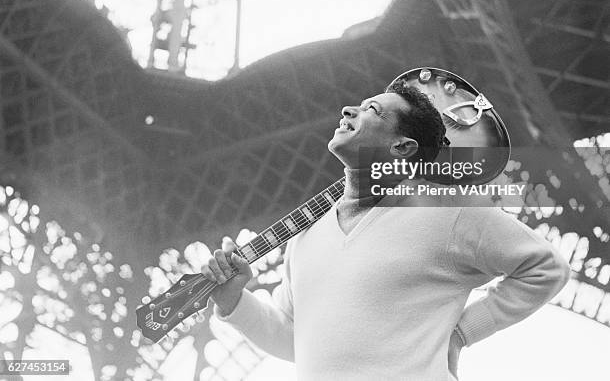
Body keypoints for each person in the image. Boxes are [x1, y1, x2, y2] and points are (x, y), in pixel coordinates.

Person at [201, 75, 570, 380]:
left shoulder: (448, 210)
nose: (349, 110)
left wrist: (461, 333)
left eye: (372, 110)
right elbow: (292, 338)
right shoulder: (306, 235)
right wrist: (233, 299)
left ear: (402, 147)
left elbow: (546, 267)